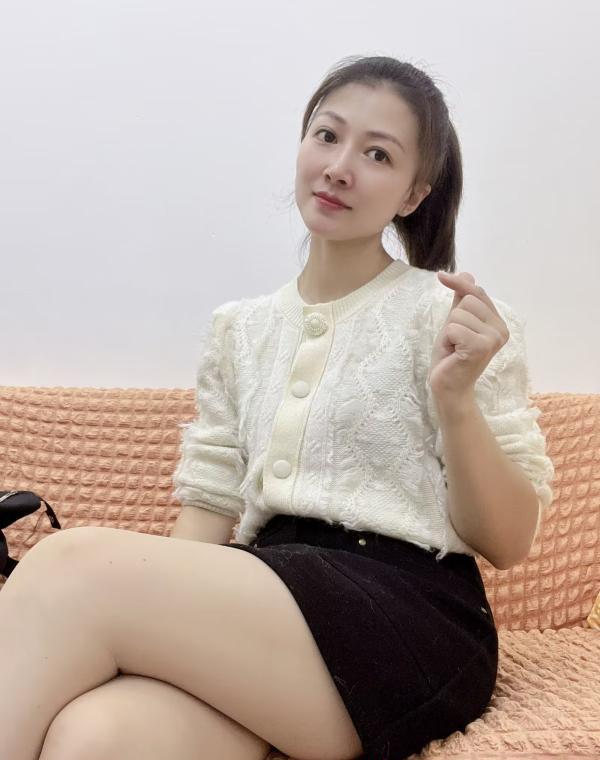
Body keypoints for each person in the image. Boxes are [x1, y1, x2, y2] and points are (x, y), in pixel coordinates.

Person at [0, 55, 555, 760]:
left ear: (415, 193)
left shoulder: (452, 319)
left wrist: (456, 401)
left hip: (409, 616)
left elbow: (508, 541)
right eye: (327, 135)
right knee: (97, 737)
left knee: (70, 565)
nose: (340, 167)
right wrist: (155, 624)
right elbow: (210, 506)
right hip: (269, 602)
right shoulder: (239, 329)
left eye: (377, 154)